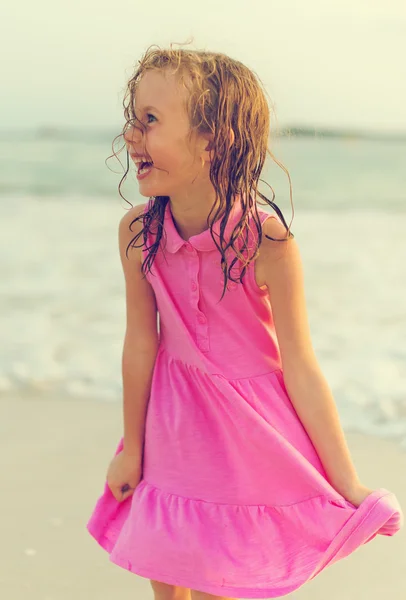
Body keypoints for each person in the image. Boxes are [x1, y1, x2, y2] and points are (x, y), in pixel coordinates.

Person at [86, 45, 403, 600]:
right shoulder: (139, 233)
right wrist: (130, 448)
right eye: (133, 120)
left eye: (151, 121)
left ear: (213, 139)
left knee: (220, 586)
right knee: (169, 574)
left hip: (248, 439)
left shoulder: (267, 240)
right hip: (173, 432)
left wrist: (345, 477)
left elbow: (301, 364)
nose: (132, 136)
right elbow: (141, 344)